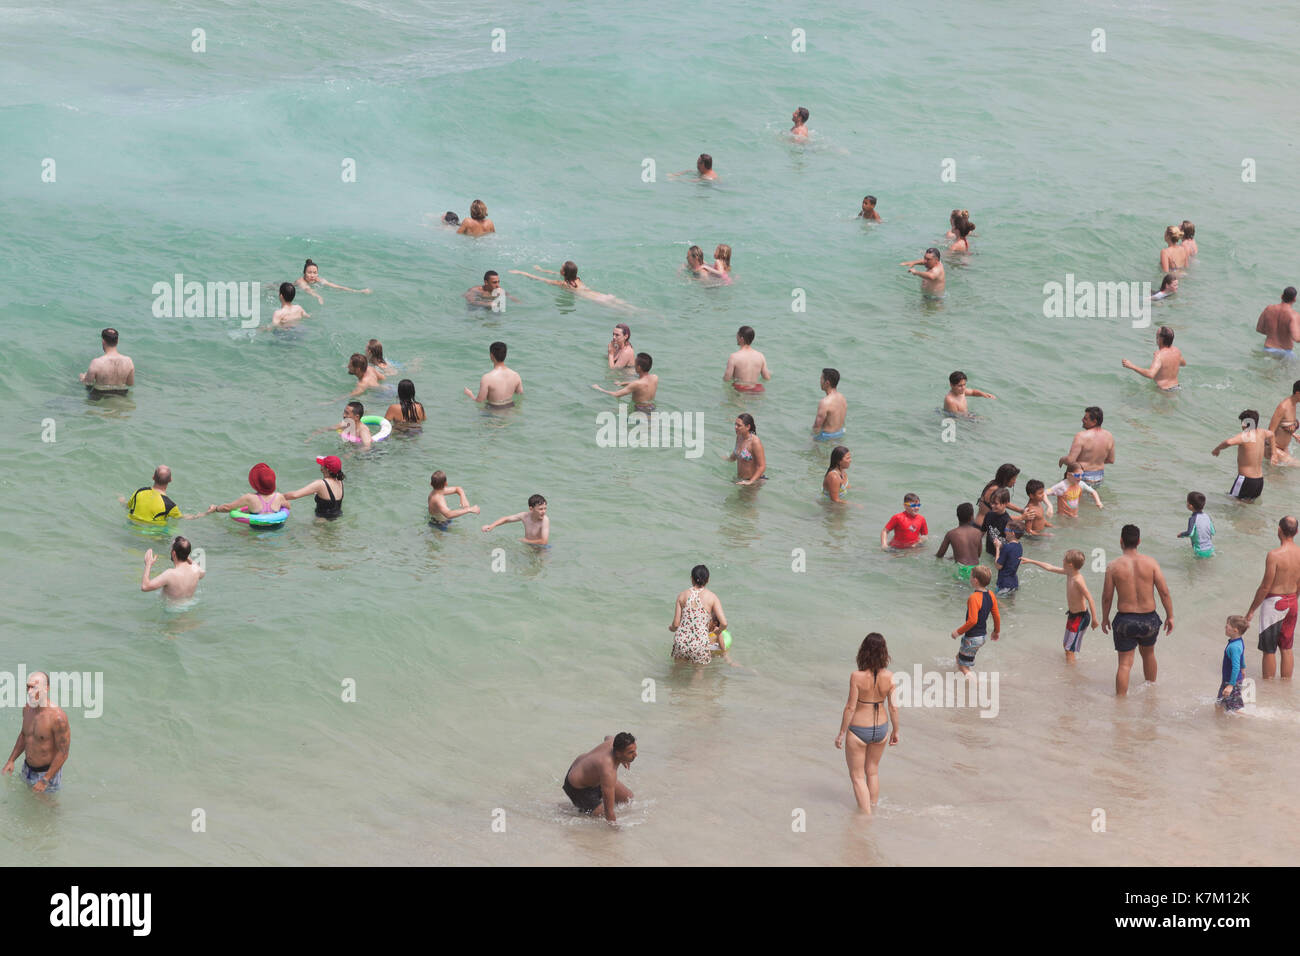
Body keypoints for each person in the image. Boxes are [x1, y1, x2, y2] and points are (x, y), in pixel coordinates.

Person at [1101, 524, 1174, 696]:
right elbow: (1164, 592)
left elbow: (1107, 597)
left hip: (1125, 620)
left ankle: (1120, 703)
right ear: (1139, 541)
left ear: (1121, 541)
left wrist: (1105, 618)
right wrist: (1170, 616)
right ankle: (1151, 693)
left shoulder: (1113, 566)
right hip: (1149, 619)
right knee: (1148, 654)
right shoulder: (1151, 563)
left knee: (1125, 664)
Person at [835, 633, 899, 813]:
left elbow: (850, 707)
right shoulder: (890, 676)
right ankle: (873, 808)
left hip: (858, 730)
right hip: (881, 729)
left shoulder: (856, 676)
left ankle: (865, 817)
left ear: (864, 651)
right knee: (872, 771)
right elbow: (894, 707)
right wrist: (896, 730)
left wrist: (841, 733)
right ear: (884, 653)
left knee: (857, 776)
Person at [1242, 515, 1300, 680]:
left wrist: (1251, 610)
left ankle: (1268, 688)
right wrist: (1295, 598)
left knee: (1269, 649)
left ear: (1279, 530)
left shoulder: (1274, 555)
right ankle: (1284, 687)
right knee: (1287, 647)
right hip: (1292, 602)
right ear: (1297, 532)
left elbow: (1265, 586)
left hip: (1275, 604)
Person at [1020, 550, 1098, 663]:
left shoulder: (1078, 580)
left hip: (1080, 617)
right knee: (1066, 645)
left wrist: (1095, 619)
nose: (1062, 561)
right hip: (1072, 615)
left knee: (1069, 649)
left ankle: (1072, 675)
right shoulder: (1069, 573)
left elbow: (1090, 598)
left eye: (1064, 559)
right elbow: (1049, 567)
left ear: (1070, 564)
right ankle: (1070, 668)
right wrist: (1031, 561)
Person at [2, 671, 69, 793]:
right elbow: (24, 736)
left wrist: (45, 780)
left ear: (46, 688)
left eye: (34, 687)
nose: (29, 691)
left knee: (48, 808)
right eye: (28, 686)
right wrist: (11, 760)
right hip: (27, 768)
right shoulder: (27, 709)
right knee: (27, 805)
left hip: (47, 773)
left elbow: (63, 753)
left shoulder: (57, 718)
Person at [562, 733, 636, 821]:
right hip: (577, 787)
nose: (635, 754)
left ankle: (592, 805)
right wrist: (616, 830)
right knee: (602, 815)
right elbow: (609, 812)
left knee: (628, 799)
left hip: (591, 774)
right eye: (630, 752)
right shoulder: (608, 771)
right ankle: (572, 810)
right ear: (618, 754)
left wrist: (624, 759)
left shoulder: (613, 742)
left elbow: (608, 736)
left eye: (635, 750)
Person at [669, 565, 728, 664]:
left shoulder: (682, 595)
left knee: (677, 672)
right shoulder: (712, 597)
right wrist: (718, 632)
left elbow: (675, 625)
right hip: (699, 643)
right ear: (708, 580)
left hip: (681, 641)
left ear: (692, 579)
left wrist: (671, 628)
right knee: (698, 675)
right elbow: (724, 623)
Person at [1211, 409, 1273, 502]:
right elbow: (1272, 434)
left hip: (1245, 480)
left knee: (1233, 503)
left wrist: (1217, 449)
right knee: (1246, 506)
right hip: (1259, 481)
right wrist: (1274, 453)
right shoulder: (1262, 433)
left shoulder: (1245, 436)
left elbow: (1228, 442)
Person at [951, 567, 1000, 674]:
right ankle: (955, 680)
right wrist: (996, 631)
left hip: (972, 638)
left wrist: (957, 632)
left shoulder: (974, 597)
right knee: (959, 658)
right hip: (981, 637)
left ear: (975, 580)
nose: (970, 578)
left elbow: (972, 621)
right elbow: (996, 615)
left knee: (963, 667)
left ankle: (975, 685)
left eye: (971, 576)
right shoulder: (991, 594)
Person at [206, 463, 289, 518]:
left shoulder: (249, 498)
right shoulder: (279, 496)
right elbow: (287, 507)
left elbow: (227, 508)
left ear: (254, 483)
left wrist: (216, 508)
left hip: (257, 529)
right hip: (276, 528)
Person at [1058, 406, 1114, 486]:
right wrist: (1094, 461)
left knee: (1071, 497)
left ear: (1094, 421)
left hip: (1081, 476)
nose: (1082, 420)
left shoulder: (1081, 436)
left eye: (1085, 419)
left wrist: (1062, 460)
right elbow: (1111, 460)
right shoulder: (1109, 436)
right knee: (1092, 497)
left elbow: (1070, 460)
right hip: (1099, 477)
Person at [121, 465, 199, 522]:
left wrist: (122, 500)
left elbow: (127, 507)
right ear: (170, 480)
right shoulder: (170, 505)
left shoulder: (139, 491)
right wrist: (206, 513)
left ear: (153, 477)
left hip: (131, 526)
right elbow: (183, 518)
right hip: (152, 535)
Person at [141, 536, 204, 601]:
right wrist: (185, 554)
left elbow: (145, 587)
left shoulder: (170, 574)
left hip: (169, 610)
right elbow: (202, 572)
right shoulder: (196, 570)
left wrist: (148, 564)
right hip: (189, 607)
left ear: (173, 553)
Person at [1122, 326, 1185, 390]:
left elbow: (1150, 374)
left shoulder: (1159, 355)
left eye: (1157, 335)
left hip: (1164, 391)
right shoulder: (1176, 351)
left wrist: (1132, 366)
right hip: (1177, 387)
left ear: (1161, 339)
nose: (1156, 337)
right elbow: (1183, 363)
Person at [592, 352, 657, 413]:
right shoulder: (655, 377)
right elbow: (642, 385)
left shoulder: (636, 384)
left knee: (610, 411)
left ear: (639, 367)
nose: (634, 366)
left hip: (639, 410)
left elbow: (616, 394)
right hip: (651, 407)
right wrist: (622, 383)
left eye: (635, 364)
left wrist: (599, 389)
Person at [464, 341, 523, 407]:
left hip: (493, 413)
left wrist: (470, 395)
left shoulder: (487, 378)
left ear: (491, 356)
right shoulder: (516, 376)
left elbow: (479, 402)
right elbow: (520, 395)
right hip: (510, 411)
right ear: (505, 355)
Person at [934, 502, 983, 581]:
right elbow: (978, 554)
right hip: (976, 569)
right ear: (972, 517)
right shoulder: (978, 532)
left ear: (957, 516)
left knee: (959, 592)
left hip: (961, 569)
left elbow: (940, 555)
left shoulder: (951, 534)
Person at [78, 327, 134, 391]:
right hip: (121, 394)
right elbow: (130, 384)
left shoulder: (96, 363)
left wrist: (82, 377)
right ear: (117, 341)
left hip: (100, 395)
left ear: (103, 341)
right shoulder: (128, 361)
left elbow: (87, 383)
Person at [295, 258, 371, 304]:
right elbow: (308, 290)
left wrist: (357, 291)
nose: (312, 275)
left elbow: (335, 286)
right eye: (309, 272)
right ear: (304, 273)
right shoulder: (301, 282)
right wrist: (318, 297)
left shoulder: (317, 279)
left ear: (317, 273)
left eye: (315, 273)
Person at [482, 494, 549, 545]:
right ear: (531, 509)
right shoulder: (525, 516)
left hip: (541, 548)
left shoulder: (545, 520)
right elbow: (506, 519)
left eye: (545, 508)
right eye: (540, 509)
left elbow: (544, 541)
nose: (544, 511)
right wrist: (492, 526)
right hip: (528, 546)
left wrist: (526, 541)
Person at [722, 326, 771, 393]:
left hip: (740, 389)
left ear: (741, 338)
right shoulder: (760, 356)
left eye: (737, 336)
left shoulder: (734, 357)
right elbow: (767, 377)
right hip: (756, 390)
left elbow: (726, 379)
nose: (736, 338)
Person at [1217, 616, 1250, 713]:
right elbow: (1241, 656)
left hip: (1231, 682)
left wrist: (1231, 685)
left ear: (1235, 630)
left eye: (1227, 626)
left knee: (1235, 710)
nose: (1225, 628)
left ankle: (1250, 719)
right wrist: (1243, 668)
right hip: (1229, 680)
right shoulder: (1239, 641)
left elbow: (1236, 667)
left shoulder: (1234, 647)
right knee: (1219, 704)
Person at [1255, 288, 1300, 357]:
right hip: (1285, 354)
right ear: (1294, 299)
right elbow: (1296, 338)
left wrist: (1273, 333)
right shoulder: (1294, 315)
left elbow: (1259, 329)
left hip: (1267, 350)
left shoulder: (1268, 309)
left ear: (1281, 296)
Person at [1266, 380, 1300, 464]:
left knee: (1282, 476)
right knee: (1297, 464)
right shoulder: (1283, 407)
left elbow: (1282, 425)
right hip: (1272, 448)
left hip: (1283, 449)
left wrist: (1294, 435)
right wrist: (1274, 453)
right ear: (1298, 393)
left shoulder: (1293, 405)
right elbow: (1270, 430)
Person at [730, 414, 766, 485]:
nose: (735, 427)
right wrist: (727, 458)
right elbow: (736, 454)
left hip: (753, 481)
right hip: (741, 480)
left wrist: (750, 482)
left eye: (739, 425)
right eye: (735, 424)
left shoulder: (755, 442)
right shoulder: (739, 437)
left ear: (748, 427)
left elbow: (762, 466)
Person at [1177, 491, 1215, 558]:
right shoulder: (1207, 516)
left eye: (1187, 502)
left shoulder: (1192, 519)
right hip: (1210, 549)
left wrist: (1181, 534)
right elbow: (1213, 531)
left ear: (1190, 506)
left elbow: (1190, 533)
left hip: (1199, 551)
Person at [812, 368, 847, 439]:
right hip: (840, 433)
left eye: (821, 379)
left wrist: (811, 441)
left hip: (827, 437)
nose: (820, 381)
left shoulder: (825, 402)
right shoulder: (842, 398)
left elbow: (816, 427)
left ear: (827, 383)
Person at [981, 488, 1013, 558]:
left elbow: (1012, 544)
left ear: (1005, 504)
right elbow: (982, 532)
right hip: (988, 552)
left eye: (996, 503)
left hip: (1000, 557)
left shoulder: (1008, 523)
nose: (992, 505)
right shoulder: (989, 514)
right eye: (991, 502)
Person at [994, 525, 1023, 595]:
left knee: (997, 601)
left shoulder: (1007, 547)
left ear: (1012, 533)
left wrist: (997, 548)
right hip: (1014, 582)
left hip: (1004, 584)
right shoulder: (1020, 546)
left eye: (1006, 529)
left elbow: (998, 566)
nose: (1004, 531)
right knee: (1010, 603)